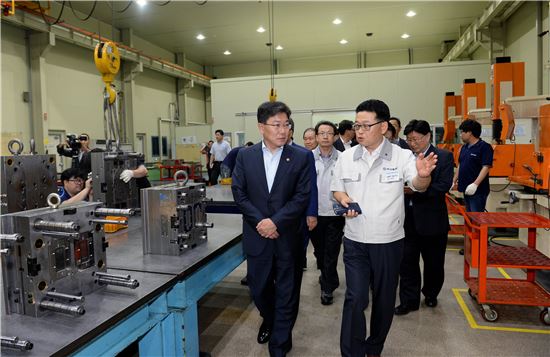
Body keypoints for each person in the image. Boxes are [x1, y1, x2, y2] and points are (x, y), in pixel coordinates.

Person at [330, 99, 437, 357]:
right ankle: (352, 352)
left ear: (384, 126)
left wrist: (423, 175)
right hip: (355, 239)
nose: (360, 131)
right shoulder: (346, 157)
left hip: (389, 242)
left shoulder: (402, 156)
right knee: (355, 298)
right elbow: (337, 190)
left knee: (384, 299)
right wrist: (344, 200)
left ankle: (374, 346)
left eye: (366, 125)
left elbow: (418, 184)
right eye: (357, 125)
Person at [231, 101, 311, 356]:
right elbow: (239, 193)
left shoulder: (301, 156)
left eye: (286, 124)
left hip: (288, 235)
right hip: (257, 236)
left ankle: (279, 344)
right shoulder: (245, 156)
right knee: (259, 288)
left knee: (288, 292)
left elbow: (302, 196)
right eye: (276, 124)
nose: (283, 130)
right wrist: (261, 223)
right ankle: (271, 318)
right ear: (261, 127)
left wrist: (276, 222)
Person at [395, 120, 454, 316]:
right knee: (407, 262)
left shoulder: (443, 157)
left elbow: (443, 186)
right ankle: (408, 301)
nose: (412, 143)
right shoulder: (402, 157)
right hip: (406, 220)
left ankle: (430, 293)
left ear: (428, 136)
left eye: (416, 139)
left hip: (432, 221)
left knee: (434, 263)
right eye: (409, 139)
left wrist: (415, 191)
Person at [309, 120, 345, 306]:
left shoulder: (344, 158)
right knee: (320, 251)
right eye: (321, 133)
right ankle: (327, 276)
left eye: (329, 133)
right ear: (316, 137)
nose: (325, 136)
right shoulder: (306, 158)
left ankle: (327, 288)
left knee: (331, 251)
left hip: (335, 214)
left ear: (335, 136)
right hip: (314, 214)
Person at [287, 118, 318, 271]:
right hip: (274, 216)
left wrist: (311, 213)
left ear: (290, 131)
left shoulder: (304, 154)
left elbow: (311, 186)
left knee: (297, 250)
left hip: (299, 213)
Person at [454, 119, 493, 212]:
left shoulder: (484, 147)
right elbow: (460, 165)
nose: (460, 134)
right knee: (469, 217)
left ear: (470, 133)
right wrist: (453, 180)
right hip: (466, 188)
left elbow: (486, 167)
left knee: (476, 218)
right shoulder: (464, 147)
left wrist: (475, 184)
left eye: (463, 132)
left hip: (478, 190)